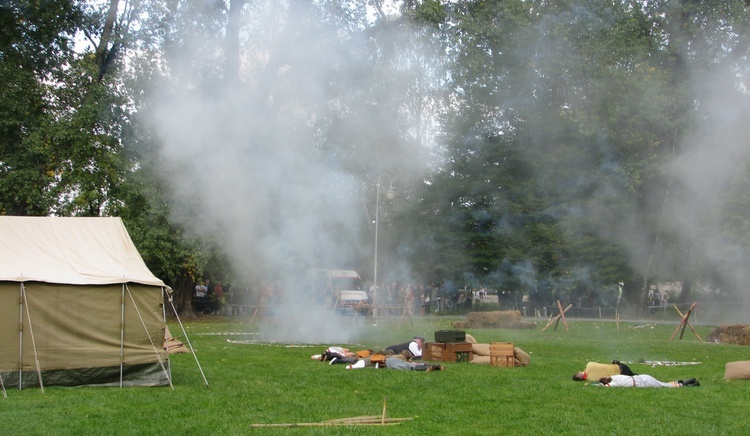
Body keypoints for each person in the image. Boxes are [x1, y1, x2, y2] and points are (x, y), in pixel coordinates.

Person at [598, 374, 699, 388]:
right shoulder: (614, 377)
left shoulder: (613, 383)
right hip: (642, 377)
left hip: (643, 383)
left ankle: (687, 383)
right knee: (663, 384)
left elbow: (605, 387)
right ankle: (688, 381)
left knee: (666, 386)